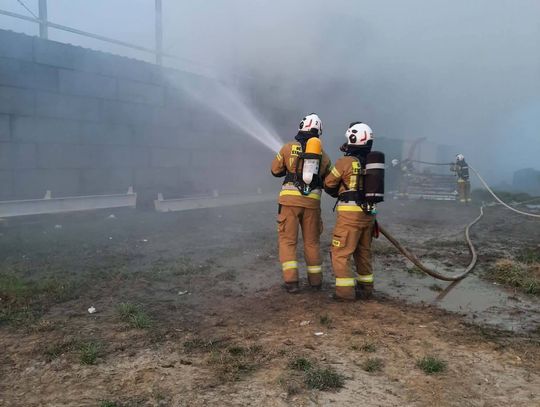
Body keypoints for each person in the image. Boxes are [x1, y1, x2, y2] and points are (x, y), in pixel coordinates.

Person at [270, 113, 332, 293]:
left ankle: (292, 283)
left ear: (301, 127)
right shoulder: (323, 155)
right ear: (318, 132)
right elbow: (330, 181)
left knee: (288, 241)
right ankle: (315, 282)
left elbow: (275, 170)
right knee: (312, 242)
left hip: (289, 202)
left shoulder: (288, 147)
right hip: (312, 203)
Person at [324, 122, 379, 301]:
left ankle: (345, 293)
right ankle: (366, 289)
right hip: (368, 216)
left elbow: (329, 184)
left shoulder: (345, 162)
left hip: (350, 216)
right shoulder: (372, 164)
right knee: (363, 253)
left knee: (340, 253)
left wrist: (340, 190)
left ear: (353, 138)